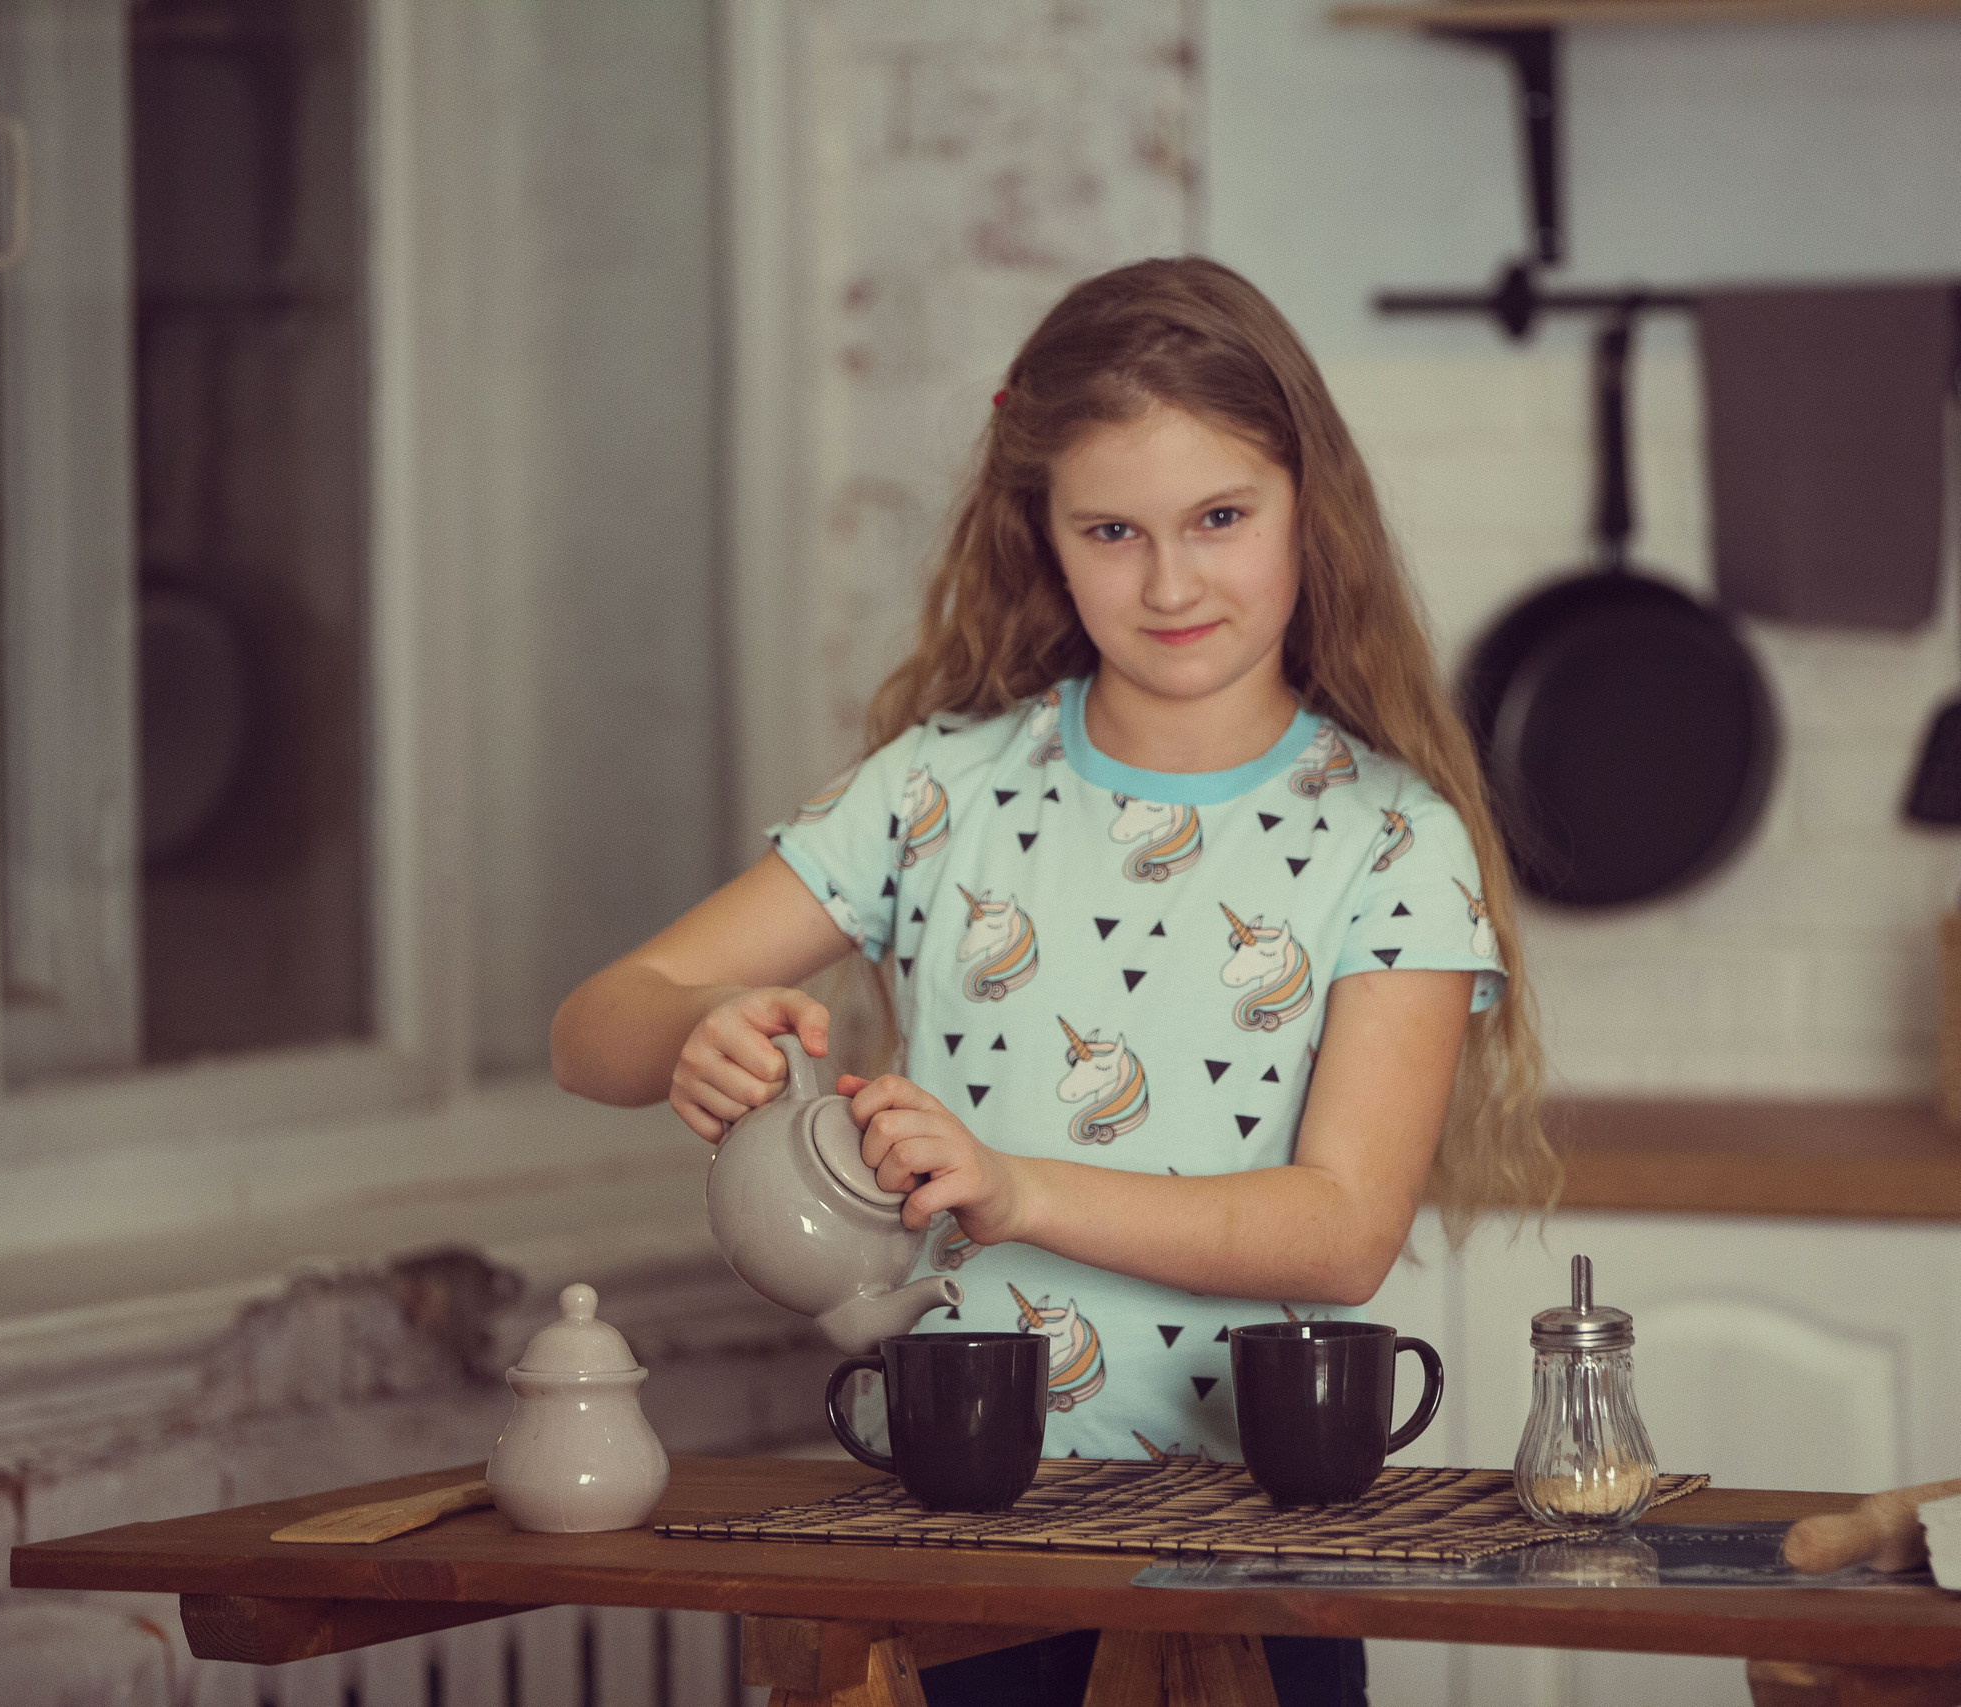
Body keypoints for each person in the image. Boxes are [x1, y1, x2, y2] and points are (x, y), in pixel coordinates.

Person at [551, 255, 1555, 1707]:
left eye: (1220, 518)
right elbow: (593, 1029)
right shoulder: (937, 793)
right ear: (1046, 533)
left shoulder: (1392, 840)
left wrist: (1017, 1191)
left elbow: (1343, 1232)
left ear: (1311, 507)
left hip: (1253, 1558)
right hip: (949, 1540)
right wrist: (694, 1028)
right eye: (1112, 531)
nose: (1170, 583)